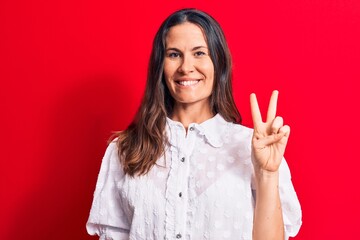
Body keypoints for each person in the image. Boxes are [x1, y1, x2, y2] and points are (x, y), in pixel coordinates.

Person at [86, 8, 302, 240]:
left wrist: (267, 174)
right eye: (174, 54)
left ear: (218, 62)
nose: (186, 67)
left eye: (199, 53)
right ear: (161, 66)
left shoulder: (252, 148)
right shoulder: (125, 149)